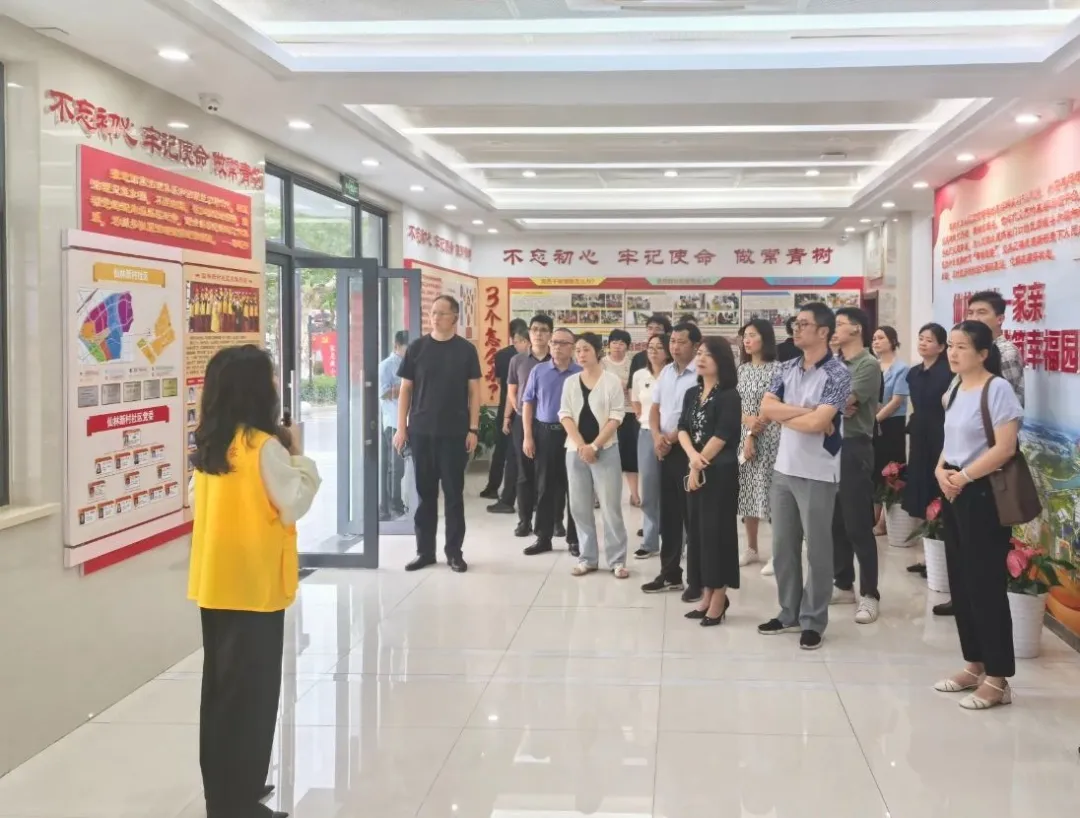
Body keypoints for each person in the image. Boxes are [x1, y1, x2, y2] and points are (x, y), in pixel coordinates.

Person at [188, 345, 321, 818]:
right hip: (255, 586)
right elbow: (293, 501)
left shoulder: (210, 443)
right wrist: (301, 459)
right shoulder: (264, 447)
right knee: (254, 698)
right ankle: (238, 803)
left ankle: (224, 792)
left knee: (221, 694)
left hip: (216, 582)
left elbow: (196, 503)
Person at [933, 320, 1023, 710]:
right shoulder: (955, 387)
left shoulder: (996, 389)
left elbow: (1005, 447)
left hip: (983, 492)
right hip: (954, 488)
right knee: (961, 582)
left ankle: (998, 678)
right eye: (950, 346)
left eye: (962, 347)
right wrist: (940, 470)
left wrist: (965, 476)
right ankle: (974, 664)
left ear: (983, 354)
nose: (952, 353)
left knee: (985, 585)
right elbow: (951, 439)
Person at [757, 302, 851, 651]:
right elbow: (767, 408)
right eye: (795, 324)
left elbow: (817, 424)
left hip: (818, 472)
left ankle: (813, 619)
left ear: (824, 331)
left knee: (818, 550)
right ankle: (789, 613)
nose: (796, 329)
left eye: (804, 324)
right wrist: (805, 413)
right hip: (784, 467)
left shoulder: (838, 373)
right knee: (783, 547)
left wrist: (803, 417)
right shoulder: (786, 367)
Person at [394, 294, 482, 573]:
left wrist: (473, 428)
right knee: (425, 495)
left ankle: (454, 552)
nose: (435, 317)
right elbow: (406, 389)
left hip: (455, 433)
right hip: (421, 431)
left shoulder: (466, 350)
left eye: (441, 313)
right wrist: (401, 428)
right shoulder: (417, 348)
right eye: (433, 312)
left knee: (454, 496)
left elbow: (474, 392)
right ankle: (425, 551)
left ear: (455, 317)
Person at [679, 336, 742, 626]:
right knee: (699, 535)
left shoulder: (729, 395)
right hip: (696, 468)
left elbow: (722, 435)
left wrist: (697, 465)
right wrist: (692, 457)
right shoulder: (692, 393)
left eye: (708, 355)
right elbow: (682, 427)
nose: (701, 359)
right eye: (699, 353)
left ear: (722, 361)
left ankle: (719, 599)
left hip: (719, 475)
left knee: (718, 536)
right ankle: (706, 595)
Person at [559, 332, 630, 577]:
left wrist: (595, 447)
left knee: (610, 507)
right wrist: (582, 447)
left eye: (586, 349)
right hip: (575, 452)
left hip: (606, 450)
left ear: (598, 351)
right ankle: (587, 558)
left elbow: (616, 417)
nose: (580, 354)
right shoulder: (570, 382)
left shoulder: (612, 381)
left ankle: (617, 560)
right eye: (577, 350)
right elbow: (565, 415)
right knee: (579, 507)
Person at [829, 307, 883, 624]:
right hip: (828, 445)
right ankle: (843, 583)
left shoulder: (867, 364)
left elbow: (845, 402)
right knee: (835, 521)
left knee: (857, 524)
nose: (834, 329)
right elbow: (822, 400)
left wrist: (831, 404)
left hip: (854, 446)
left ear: (857, 328)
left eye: (839, 324)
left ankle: (870, 594)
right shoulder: (833, 363)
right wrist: (830, 404)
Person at [640, 322, 702, 600]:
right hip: (664, 449)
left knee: (692, 517)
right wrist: (657, 437)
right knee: (669, 515)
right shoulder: (666, 371)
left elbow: (694, 417)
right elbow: (654, 408)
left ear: (696, 345)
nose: (675, 347)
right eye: (672, 342)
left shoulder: (701, 373)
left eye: (681, 342)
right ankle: (670, 573)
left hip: (690, 450)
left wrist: (669, 439)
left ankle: (697, 580)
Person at [522, 327, 581, 556]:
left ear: (572, 347)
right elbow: (528, 403)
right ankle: (543, 537)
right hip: (545, 433)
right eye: (554, 342)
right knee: (544, 487)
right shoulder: (539, 371)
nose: (557, 346)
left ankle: (574, 539)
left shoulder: (580, 372)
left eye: (563, 343)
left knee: (573, 487)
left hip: (573, 435)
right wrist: (528, 436)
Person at [902, 323, 951, 578]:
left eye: (929, 340)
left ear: (941, 347)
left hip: (940, 436)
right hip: (919, 435)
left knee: (936, 490)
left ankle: (942, 557)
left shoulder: (948, 373)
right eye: (921, 338)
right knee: (920, 489)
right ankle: (927, 556)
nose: (923, 343)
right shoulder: (914, 373)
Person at [736, 319, 781, 573]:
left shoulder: (778, 369)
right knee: (747, 492)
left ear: (765, 338)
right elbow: (736, 404)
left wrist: (754, 431)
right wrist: (747, 424)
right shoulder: (741, 370)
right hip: (745, 435)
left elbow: (775, 405)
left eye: (752, 335)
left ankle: (778, 553)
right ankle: (751, 548)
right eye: (745, 336)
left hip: (770, 435)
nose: (747, 340)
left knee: (771, 493)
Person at [504, 314, 554, 536]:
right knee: (524, 473)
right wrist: (517, 410)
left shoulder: (557, 359)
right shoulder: (517, 360)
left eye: (543, 330)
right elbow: (512, 390)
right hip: (523, 422)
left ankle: (551, 521)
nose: (539, 334)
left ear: (550, 334)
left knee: (548, 474)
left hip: (551, 423)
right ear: (529, 333)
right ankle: (524, 521)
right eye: (535, 329)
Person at [631, 333, 671, 560]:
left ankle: (678, 540)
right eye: (650, 347)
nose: (653, 351)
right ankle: (649, 541)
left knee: (673, 489)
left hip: (672, 435)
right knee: (649, 488)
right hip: (647, 433)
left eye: (659, 347)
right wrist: (641, 414)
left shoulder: (674, 373)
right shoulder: (640, 375)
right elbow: (635, 399)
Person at [484, 322, 530, 514]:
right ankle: (527, 498)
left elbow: (503, 384)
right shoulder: (537, 359)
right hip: (525, 411)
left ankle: (495, 490)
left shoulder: (504, 356)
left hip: (510, 407)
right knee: (523, 455)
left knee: (505, 452)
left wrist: (506, 416)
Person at [872, 325, 910, 534]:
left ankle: (885, 522)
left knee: (892, 472)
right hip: (872, 424)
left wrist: (875, 420)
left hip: (891, 425)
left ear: (892, 341)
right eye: (874, 338)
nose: (876, 342)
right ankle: (873, 517)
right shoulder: (873, 366)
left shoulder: (901, 368)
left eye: (881, 338)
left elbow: (896, 401)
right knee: (875, 471)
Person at [965, 290, 1025, 407]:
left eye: (981, 312)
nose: (974, 318)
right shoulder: (970, 349)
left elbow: (1007, 403)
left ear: (1000, 319)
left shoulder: (1006, 352)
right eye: (970, 313)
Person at [604, 328, 639, 505]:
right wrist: (621, 385)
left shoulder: (632, 363)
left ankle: (634, 495)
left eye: (622, 343)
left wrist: (623, 384)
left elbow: (636, 385)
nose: (617, 346)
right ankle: (604, 496)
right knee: (607, 456)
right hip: (607, 415)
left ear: (627, 346)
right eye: (614, 342)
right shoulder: (602, 363)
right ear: (608, 344)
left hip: (630, 412)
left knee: (630, 456)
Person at [378, 330, 409, 521]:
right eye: (406, 347)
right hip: (393, 423)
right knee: (395, 467)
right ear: (397, 346)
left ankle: (398, 503)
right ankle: (392, 505)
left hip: (407, 421)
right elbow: (382, 393)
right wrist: (405, 387)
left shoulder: (409, 363)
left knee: (402, 468)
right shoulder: (386, 366)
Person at [629, 314, 673, 383]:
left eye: (658, 329)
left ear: (666, 333)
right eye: (650, 328)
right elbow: (631, 385)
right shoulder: (638, 358)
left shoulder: (673, 355)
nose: (653, 332)